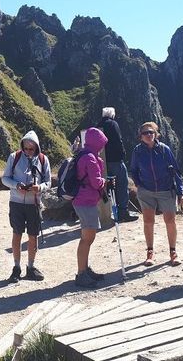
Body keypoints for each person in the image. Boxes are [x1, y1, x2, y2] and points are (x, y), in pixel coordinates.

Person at [130, 122, 183, 267]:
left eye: (151, 132)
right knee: (148, 221)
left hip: (166, 190)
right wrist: (138, 184)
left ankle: (173, 252)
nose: (148, 135)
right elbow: (134, 170)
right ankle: (150, 252)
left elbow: (175, 171)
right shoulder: (137, 151)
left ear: (156, 134)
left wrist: (181, 192)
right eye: (145, 133)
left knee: (170, 221)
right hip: (146, 191)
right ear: (140, 136)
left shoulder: (164, 150)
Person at [2, 131, 51, 282]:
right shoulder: (14, 157)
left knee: (33, 235)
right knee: (17, 233)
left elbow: (48, 182)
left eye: (32, 149)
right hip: (16, 202)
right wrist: (16, 185)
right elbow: (5, 178)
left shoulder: (43, 160)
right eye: (26, 148)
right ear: (22, 146)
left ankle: (31, 267)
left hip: (34, 203)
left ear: (37, 148)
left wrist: (40, 188)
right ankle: (16, 267)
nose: (28, 152)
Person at [72, 128, 109, 288]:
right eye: (101, 143)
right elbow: (95, 182)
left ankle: (85, 269)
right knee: (87, 238)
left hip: (82, 199)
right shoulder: (90, 158)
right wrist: (105, 181)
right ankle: (81, 274)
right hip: (85, 201)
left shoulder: (83, 154)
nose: (102, 147)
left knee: (87, 238)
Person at [96, 107, 138, 223]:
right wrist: (122, 155)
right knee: (121, 186)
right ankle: (123, 213)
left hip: (102, 161)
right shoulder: (113, 124)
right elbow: (118, 141)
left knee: (107, 187)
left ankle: (105, 213)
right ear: (112, 115)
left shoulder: (97, 125)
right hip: (115, 161)